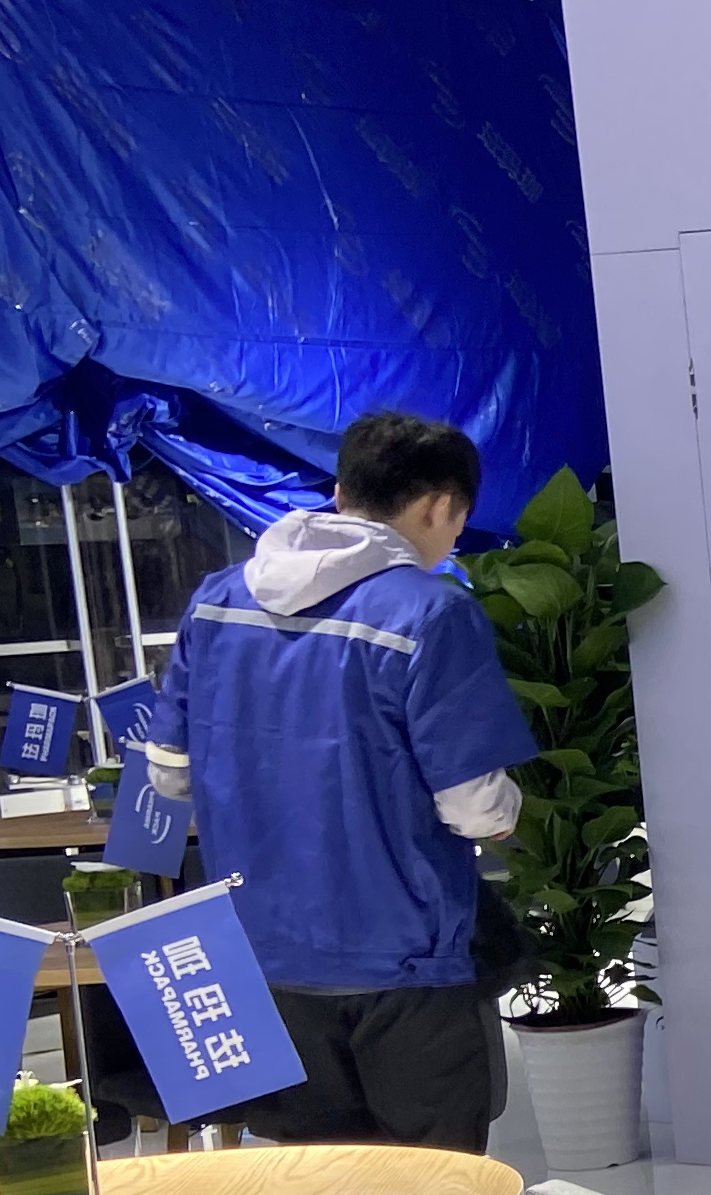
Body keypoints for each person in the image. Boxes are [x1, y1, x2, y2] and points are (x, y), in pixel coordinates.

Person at [136, 410, 535, 1153]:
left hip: (267, 957)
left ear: (342, 492)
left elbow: (168, 774)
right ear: (439, 507)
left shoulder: (217, 602)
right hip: (407, 963)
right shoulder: (431, 612)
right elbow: (476, 809)